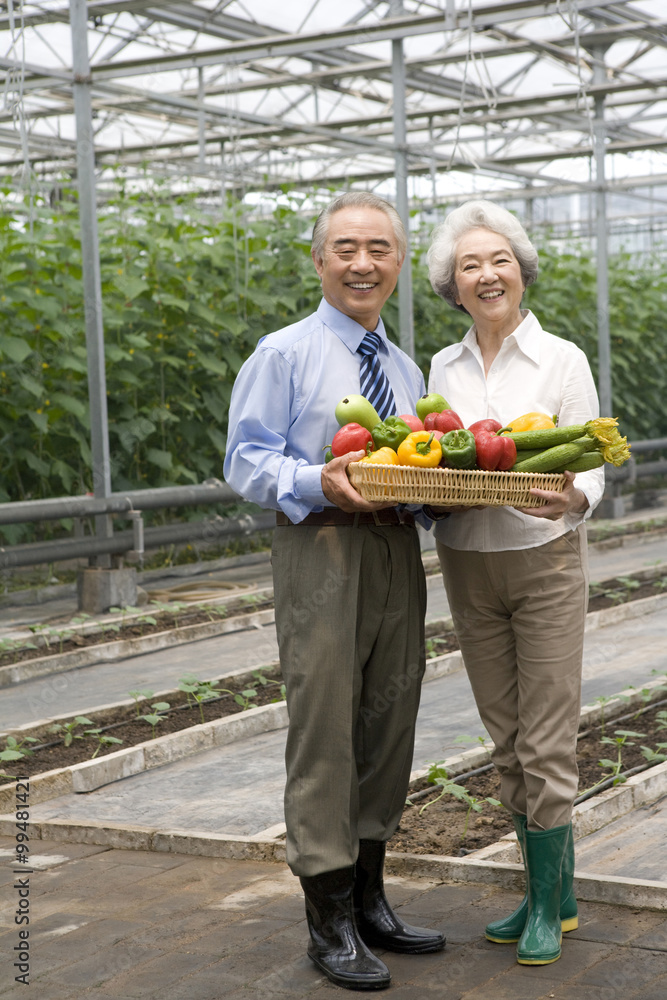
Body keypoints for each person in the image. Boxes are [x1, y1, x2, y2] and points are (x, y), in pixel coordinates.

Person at [224, 191, 445, 991]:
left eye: (379, 248)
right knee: (324, 728)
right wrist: (316, 477)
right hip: (320, 547)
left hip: (393, 549)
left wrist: (440, 488)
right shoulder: (282, 353)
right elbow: (245, 461)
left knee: (390, 717)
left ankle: (369, 899)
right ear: (319, 261)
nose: (362, 262)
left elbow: (415, 464)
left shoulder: (402, 366)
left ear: (397, 265)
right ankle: (326, 918)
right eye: (345, 247)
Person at [425, 200, 605, 966]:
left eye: (497, 259)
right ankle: (548, 895)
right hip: (466, 559)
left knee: (546, 738)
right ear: (452, 286)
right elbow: (433, 455)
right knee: (503, 739)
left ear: (520, 272)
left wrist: (571, 496)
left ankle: (544, 907)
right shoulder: (443, 367)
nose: (485, 273)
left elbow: (590, 461)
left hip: (544, 558)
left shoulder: (560, 358)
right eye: (469, 265)